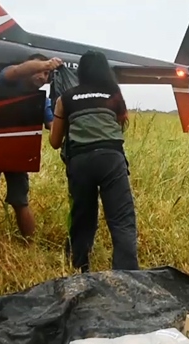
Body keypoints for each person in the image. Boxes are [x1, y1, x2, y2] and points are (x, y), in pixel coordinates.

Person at [48, 50, 139, 272]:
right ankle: (127, 275)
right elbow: (120, 125)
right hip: (111, 159)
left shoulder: (66, 98)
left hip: (80, 162)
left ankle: (80, 269)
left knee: (83, 217)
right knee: (121, 222)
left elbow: (54, 141)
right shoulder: (114, 93)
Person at [0, 53, 62, 243]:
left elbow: (51, 125)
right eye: (40, 72)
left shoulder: (41, 100)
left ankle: (29, 244)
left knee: (20, 201)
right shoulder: (8, 78)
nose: (43, 78)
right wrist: (47, 63)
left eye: (46, 75)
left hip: (17, 153)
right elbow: (19, 70)